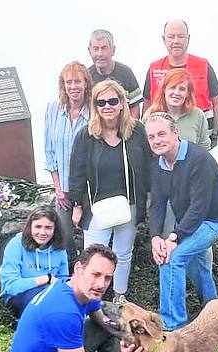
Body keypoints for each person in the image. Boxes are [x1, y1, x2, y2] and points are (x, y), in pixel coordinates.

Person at [4, 244, 149, 352]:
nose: (101, 284)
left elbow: (101, 317)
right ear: (79, 268)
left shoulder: (72, 286)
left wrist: (128, 336)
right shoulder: (63, 312)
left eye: (107, 278)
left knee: (108, 324)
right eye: (96, 274)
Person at [145, 112, 218, 332]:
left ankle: (173, 326)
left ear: (175, 133)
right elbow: (157, 204)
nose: (157, 140)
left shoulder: (199, 159)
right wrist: (155, 237)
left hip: (213, 220)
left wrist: (173, 238)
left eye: (162, 134)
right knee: (198, 267)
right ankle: (216, 316)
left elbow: (199, 207)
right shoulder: (158, 163)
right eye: (151, 137)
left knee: (172, 259)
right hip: (189, 222)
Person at [68, 80, 152, 304]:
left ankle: (118, 298)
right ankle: (89, 300)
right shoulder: (86, 135)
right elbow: (76, 172)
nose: (107, 106)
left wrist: (150, 198)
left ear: (122, 103)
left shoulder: (136, 131)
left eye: (113, 101)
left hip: (128, 205)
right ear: (94, 106)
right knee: (93, 256)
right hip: (97, 207)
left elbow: (148, 166)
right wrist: (77, 205)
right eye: (101, 102)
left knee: (123, 254)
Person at [144, 20, 218, 147]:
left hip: (197, 135)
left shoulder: (203, 65)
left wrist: (214, 133)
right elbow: (147, 103)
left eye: (181, 36)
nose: (176, 41)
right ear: (164, 39)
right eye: (171, 36)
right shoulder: (154, 68)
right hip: (161, 140)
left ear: (188, 39)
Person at [44, 61, 92, 257]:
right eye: (69, 82)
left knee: (92, 237)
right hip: (63, 189)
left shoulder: (94, 111)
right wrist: (58, 187)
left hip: (89, 189)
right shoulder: (52, 109)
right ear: (63, 85)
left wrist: (79, 202)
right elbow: (49, 151)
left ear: (86, 83)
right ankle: (72, 266)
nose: (73, 87)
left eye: (78, 81)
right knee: (64, 236)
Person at [0, 206, 70, 317]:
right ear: (30, 227)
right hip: (18, 296)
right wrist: (46, 279)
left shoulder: (59, 249)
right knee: (41, 300)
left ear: (55, 229)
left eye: (48, 228)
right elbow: (10, 286)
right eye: (38, 227)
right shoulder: (16, 245)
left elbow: (63, 281)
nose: (42, 232)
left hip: (50, 295)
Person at [143, 68, 210, 149]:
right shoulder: (150, 115)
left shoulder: (197, 115)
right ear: (164, 90)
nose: (176, 93)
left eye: (182, 89)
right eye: (172, 87)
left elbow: (204, 147)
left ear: (188, 93)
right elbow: (144, 147)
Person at [86, 29, 143, 118]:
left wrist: (129, 126)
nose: (100, 54)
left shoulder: (126, 73)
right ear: (89, 51)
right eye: (96, 49)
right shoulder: (86, 76)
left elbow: (135, 108)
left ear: (113, 50)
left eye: (104, 48)